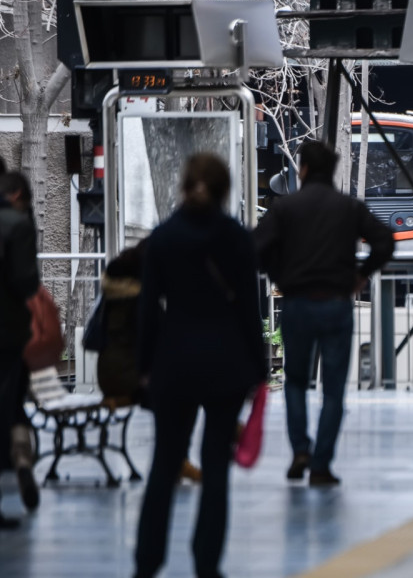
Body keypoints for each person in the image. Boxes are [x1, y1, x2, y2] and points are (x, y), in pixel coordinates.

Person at [134, 154, 266, 578]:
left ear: (183, 186)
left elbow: (148, 309)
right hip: (225, 366)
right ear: (225, 190)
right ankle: (206, 563)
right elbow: (249, 308)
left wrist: (144, 365)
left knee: (164, 464)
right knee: (215, 467)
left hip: (173, 365)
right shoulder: (235, 238)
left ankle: (147, 561)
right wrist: (258, 367)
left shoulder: (163, 237)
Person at [254, 141, 393, 486]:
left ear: (302, 169)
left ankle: (300, 448)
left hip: (298, 304)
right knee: (333, 390)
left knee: (296, 382)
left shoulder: (286, 210)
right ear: (331, 170)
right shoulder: (348, 208)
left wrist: (279, 273)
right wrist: (361, 275)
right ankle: (321, 464)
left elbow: (254, 249)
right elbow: (385, 240)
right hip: (336, 305)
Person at [95, 241, 202, 483]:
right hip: (128, 375)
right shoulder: (139, 301)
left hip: (109, 372)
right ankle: (177, 460)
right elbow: (159, 341)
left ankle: (176, 459)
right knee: (185, 395)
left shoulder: (113, 295)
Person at [0, 171, 40, 524]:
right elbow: (27, 282)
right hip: (7, 334)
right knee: (10, 404)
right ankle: (21, 459)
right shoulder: (17, 226)